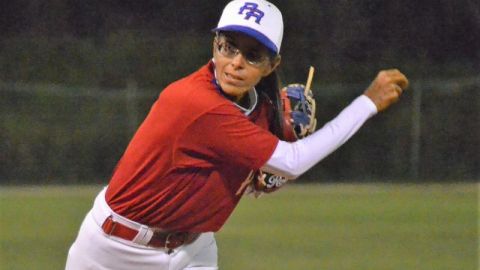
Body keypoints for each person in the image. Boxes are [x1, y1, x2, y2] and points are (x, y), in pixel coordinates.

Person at [65, 0, 409, 269]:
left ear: (271, 65)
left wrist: (258, 178)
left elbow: (243, 172)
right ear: (214, 44)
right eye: (228, 46)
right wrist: (367, 103)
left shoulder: (258, 108)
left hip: (192, 249)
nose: (235, 62)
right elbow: (292, 162)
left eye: (252, 54)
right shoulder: (195, 102)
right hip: (114, 253)